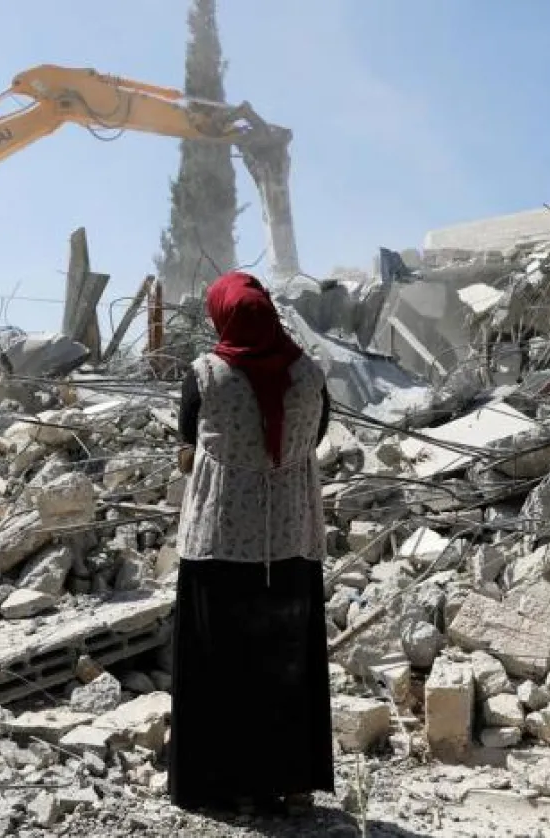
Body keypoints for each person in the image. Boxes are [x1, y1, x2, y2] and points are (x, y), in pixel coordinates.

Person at [168, 270, 335, 815]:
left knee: (222, 665)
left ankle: (222, 785)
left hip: (220, 544)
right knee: (285, 663)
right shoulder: (310, 374)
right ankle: (289, 784)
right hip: (291, 539)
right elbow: (317, 436)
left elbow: (188, 441)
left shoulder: (206, 376)